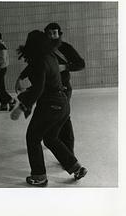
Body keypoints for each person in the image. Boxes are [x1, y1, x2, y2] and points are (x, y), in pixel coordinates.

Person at [11, 30, 87, 186]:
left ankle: (39, 176)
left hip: (50, 105)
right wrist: (21, 77)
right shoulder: (50, 55)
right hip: (62, 103)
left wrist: (21, 107)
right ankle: (76, 167)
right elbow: (36, 72)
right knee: (51, 138)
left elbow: (38, 88)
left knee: (33, 138)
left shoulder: (39, 60)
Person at [15, 23, 85, 154]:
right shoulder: (43, 49)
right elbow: (34, 66)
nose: (52, 36)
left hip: (62, 87)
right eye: (49, 33)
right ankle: (53, 142)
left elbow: (81, 64)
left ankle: (68, 151)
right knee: (50, 117)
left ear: (59, 34)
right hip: (46, 89)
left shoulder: (65, 48)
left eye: (55, 33)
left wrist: (65, 67)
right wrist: (21, 76)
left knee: (64, 119)